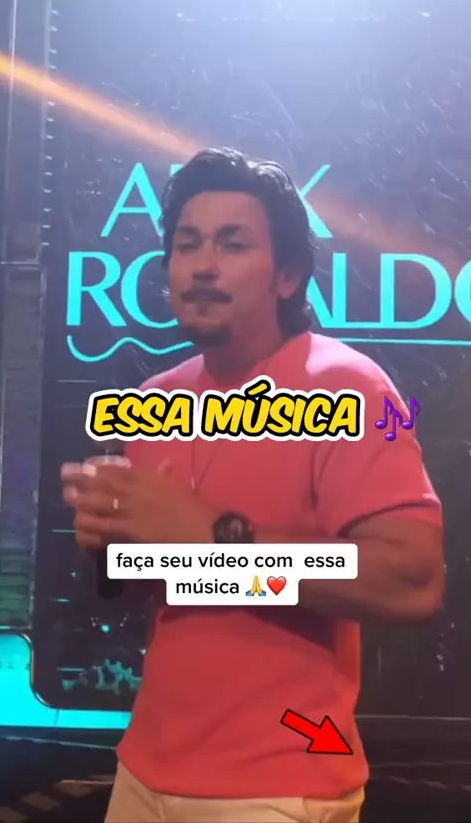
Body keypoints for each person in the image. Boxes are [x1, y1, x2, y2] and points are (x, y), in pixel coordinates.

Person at [61, 148, 444, 823]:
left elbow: (410, 581)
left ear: (287, 275)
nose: (203, 265)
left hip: (279, 788)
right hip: (143, 771)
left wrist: (219, 540)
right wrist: (113, 547)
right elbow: (182, 584)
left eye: (232, 244)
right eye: (187, 245)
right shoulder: (157, 400)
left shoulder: (348, 386)